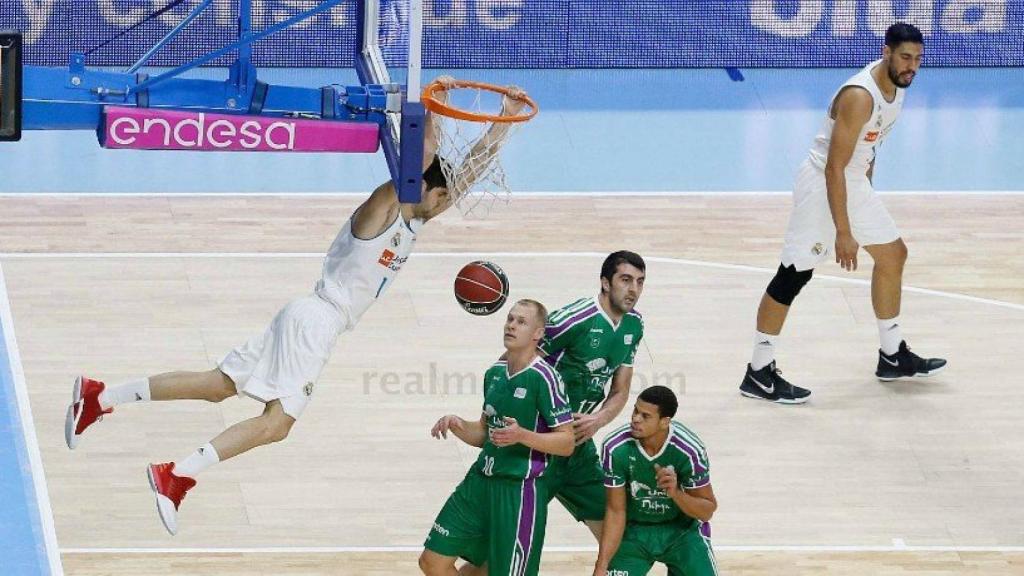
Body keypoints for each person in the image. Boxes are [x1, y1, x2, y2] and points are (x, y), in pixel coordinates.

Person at [63, 80, 531, 535]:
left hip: (307, 315)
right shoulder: (384, 208)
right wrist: (430, 107)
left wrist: (504, 120)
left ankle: (99, 397)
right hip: (316, 322)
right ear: (418, 184)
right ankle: (177, 475)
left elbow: (466, 173)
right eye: (440, 194)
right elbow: (421, 159)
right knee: (277, 424)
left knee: (217, 386)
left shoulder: (416, 220)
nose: (447, 203)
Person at [740, 22, 945, 404]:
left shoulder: (897, 87)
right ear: (886, 52)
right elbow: (834, 167)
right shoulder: (859, 96)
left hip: (853, 182)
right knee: (793, 276)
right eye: (905, 57)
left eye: (918, 59)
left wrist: (867, 191)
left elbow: (870, 146)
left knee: (893, 255)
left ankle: (892, 355)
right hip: (823, 184)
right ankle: (758, 372)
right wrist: (845, 232)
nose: (912, 66)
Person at [461, 251, 647, 576]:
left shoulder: (634, 325)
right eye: (625, 280)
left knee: (622, 540)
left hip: (577, 451)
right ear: (605, 283)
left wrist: (598, 420)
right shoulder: (571, 321)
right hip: (534, 451)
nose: (633, 289)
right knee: (491, 561)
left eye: (640, 282)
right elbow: (512, 362)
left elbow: (620, 391)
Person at [419, 300, 574, 576]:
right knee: (432, 561)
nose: (511, 325)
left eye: (521, 322)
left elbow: (566, 442)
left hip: (518, 491)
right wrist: (458, 424)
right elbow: (485, 433)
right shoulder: (494, 373)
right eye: (510, 319)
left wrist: (522, 435)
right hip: (479, 483)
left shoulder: (545, 378)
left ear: (538, 333)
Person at [594, 386, 717, 576]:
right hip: (635, 532)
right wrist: (601, 566)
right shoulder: (615, 447)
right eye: (635, 411)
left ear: (664, 421)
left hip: (682, 532)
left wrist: (675, 493)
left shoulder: (690, 450)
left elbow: (706, 511)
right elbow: (615, 510)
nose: (636, 419)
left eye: (645, 416)